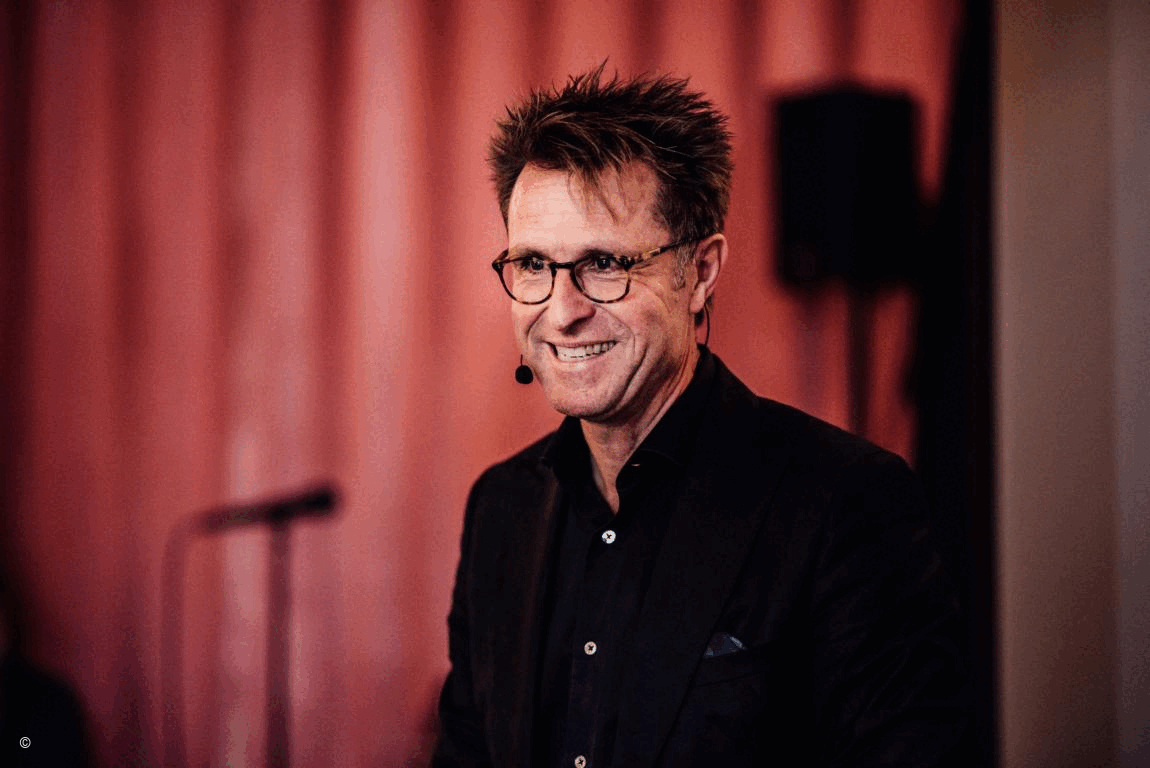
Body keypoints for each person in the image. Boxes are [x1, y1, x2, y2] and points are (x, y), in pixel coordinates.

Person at [432, 66, 968, 768]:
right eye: (534, 264)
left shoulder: (848, 503)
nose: (561, 312)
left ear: (701, 272)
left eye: (604, 262)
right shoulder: (501, 508)